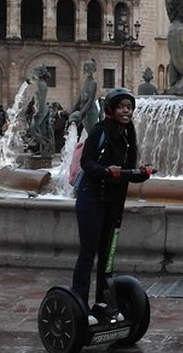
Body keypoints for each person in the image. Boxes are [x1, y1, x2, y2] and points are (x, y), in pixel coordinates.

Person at [71, 87, 151, 324]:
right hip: (92, 198)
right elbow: (87, 163)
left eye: (129, 107)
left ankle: (103, 303)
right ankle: (80, 304)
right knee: (88, 253)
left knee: (108, 256)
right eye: (121, 107)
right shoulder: (99, 131)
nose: (126, 111)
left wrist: (143, 173)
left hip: (114, 202)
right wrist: (107, 171)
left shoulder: (129, 134)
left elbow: (127, 172)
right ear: (111, 109)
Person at [69, 59, 100, 139]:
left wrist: (81, 113)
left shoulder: (93, 83)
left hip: (90, 112)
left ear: (93, 69)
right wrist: (73, 110)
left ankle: (95, 149)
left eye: (89, 67)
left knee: (92, 133)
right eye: (85, 67)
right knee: (88, 132)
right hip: (84, 111)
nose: (87, 69)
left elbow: (90, 100)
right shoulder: (85, 82)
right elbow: (80, 98)